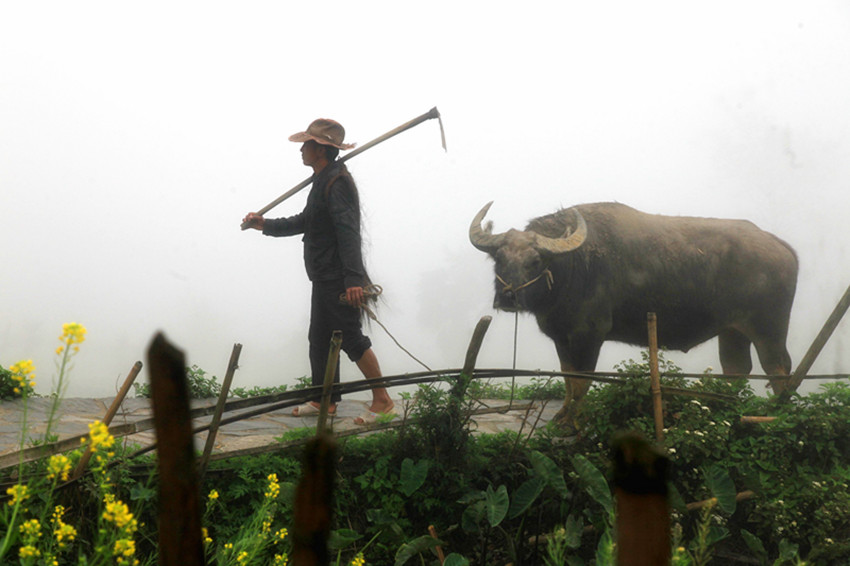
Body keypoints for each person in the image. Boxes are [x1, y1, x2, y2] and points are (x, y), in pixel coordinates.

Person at [242, 118, 394, 424]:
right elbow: (306, 221)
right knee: (320, 339)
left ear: (320, 149)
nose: (301, 149)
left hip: (338, 277)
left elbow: (348, 232)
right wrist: (265, 225)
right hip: (323, 275)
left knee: (350, 337)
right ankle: (325, 400)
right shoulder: (323, 181)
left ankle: (383, 400)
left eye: (306, 144)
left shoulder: (337, 184)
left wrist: (353, 279)